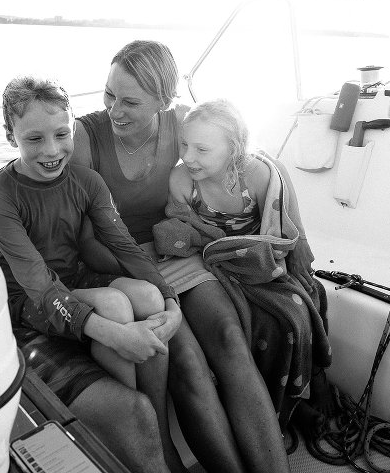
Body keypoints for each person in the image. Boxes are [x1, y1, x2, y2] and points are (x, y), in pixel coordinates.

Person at [72, 40, 292, 472]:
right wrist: (156, 284)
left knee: (229, 335)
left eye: (131, 101)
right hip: (117, 263)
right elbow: (85, 241)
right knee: (188, 362)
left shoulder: (181, 125)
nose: (115, 110)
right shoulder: (86, 135)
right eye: (109, 93)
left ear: (164, 101)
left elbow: (243, 155)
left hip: (176, 251)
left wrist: (289, 229)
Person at [0, 75, 187, 473]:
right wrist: (118, 335)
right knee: (113, 304)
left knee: (148, 297)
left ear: (73, 127)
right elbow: (37, 282)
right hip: (27, 302)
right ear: (11, 137)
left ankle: (154, 424)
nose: (52, 151)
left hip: (74, 280)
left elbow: (124, 246)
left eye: (61, 133)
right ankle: (131, 428)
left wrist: (172, 303)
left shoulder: (88, 182)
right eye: (34, 139)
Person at [162, 99, 332, 430]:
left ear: (233, 150)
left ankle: (313, 383)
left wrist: (299, 244)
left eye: (202, 149)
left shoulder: (254, 174)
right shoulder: (182, 181)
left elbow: (282, 216)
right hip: (216, 266)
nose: (189, 156)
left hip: (263, 261)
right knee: (265, 322)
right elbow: (182, 231)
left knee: (310, 297)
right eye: (184, 145)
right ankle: (277, 408)